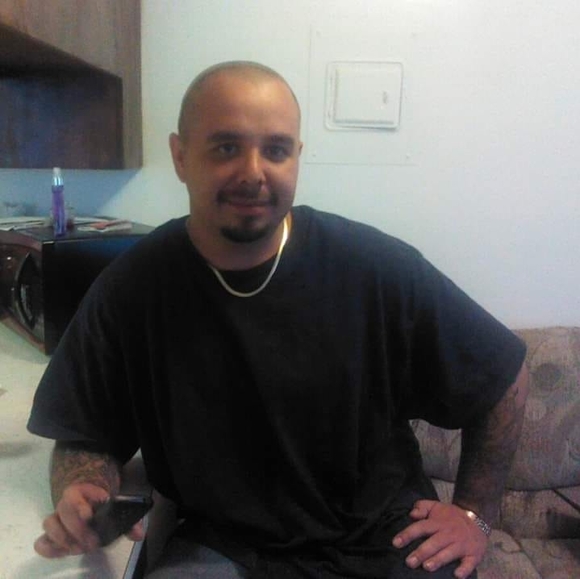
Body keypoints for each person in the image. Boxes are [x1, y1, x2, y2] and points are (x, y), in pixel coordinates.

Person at [28, 61, 528, 579]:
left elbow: (505, 377)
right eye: (226, 147)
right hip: (225, 546)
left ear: (297, 157)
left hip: (385, 542)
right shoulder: (132, 287)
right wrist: (83, 491)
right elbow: (85, 432)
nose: (253, 172)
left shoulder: (374, 267)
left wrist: (475, 515)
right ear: (180, 156)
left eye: (276, 150)